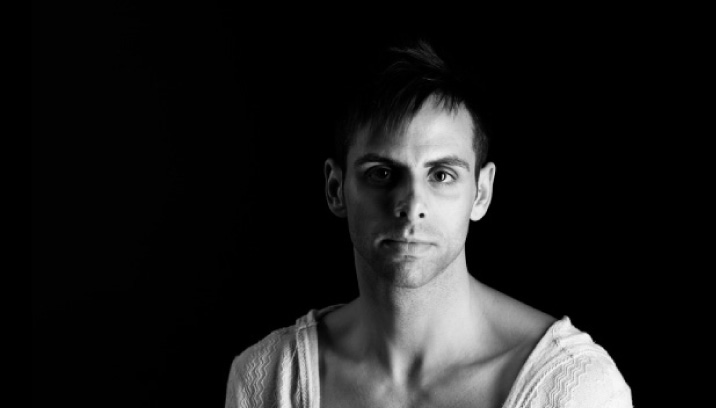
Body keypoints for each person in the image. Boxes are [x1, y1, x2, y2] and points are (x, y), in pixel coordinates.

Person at [224, 40, 632, 408]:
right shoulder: (269, 380)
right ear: (335, 189)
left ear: (481, 192)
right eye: (382, 173)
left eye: (441, 175)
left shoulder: (576, 389)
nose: (411, 205)